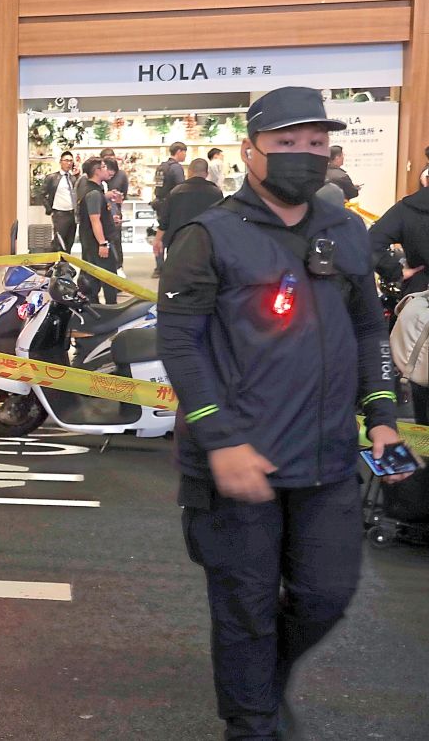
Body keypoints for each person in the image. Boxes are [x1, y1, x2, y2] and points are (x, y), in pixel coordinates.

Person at [156, 87, 408, 740]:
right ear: (250, 151)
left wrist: (381, 415)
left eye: (316, 144)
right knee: (245, 608)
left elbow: (368, 331)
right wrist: (220, 439)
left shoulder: (346, 229)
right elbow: (180, 342)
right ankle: (252, 719)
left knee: (328, 592)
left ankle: (260, 683)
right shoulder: (209, 235)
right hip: (238, 465)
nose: (305, 156)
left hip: (326, 459)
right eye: (288, 144)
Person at [371, 178, 429, 421]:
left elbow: (370, 242)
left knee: (421, 377)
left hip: (421, 301)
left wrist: (396, 271)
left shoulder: (410, 208)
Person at [153, 158, 222, 253]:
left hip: (178, 244)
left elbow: (165, 220)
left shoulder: (176, 191)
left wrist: (158, 239)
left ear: (189, 172)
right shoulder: (216, 193)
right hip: (206, 245)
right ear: (207, 173)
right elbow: (220, 219)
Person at [76, 156, 119, 305]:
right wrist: (102, 243)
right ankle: (110, 310)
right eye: (104, 167)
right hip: (96, 244)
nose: (107, 170)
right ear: (96, 171)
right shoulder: (93, 193)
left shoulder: (95, 191)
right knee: (108, 279)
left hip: (92, 242)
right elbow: (95, 220)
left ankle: (95, 308)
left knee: (93, 277)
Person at [152, 142, 187, 276]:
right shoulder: (176, 168)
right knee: (174, 236)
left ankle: (159, 266)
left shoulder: (161, 167)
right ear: (179, 151)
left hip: (159, 203)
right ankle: (172, 267)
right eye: (184, 152)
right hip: (172, 205)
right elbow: (181, 188)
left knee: (160, 234)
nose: (185, 155)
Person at [40, 152, 79, 252]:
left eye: (71, 161)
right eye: (66, 160)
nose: (69, 163)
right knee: (59, 242)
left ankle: (65, 264)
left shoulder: (73, 178)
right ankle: (53, 263)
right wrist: (49, 209)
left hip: (72, 214)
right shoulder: (52, 178)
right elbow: (42, 194)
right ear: (61, 162)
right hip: (60, 213)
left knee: (69, 241)